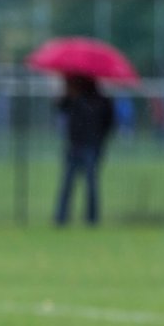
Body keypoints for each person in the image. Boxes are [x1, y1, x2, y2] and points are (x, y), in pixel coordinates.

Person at [53, 75, 115, 226]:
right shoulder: (74, 98)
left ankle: (91, 219)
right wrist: (66, 92)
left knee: (90, 184)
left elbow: (109, 123)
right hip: (75, 145)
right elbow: (59, 106)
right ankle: (61, 218)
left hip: (91, 146)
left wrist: (99, 140)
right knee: (68, 184)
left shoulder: (101, 100)